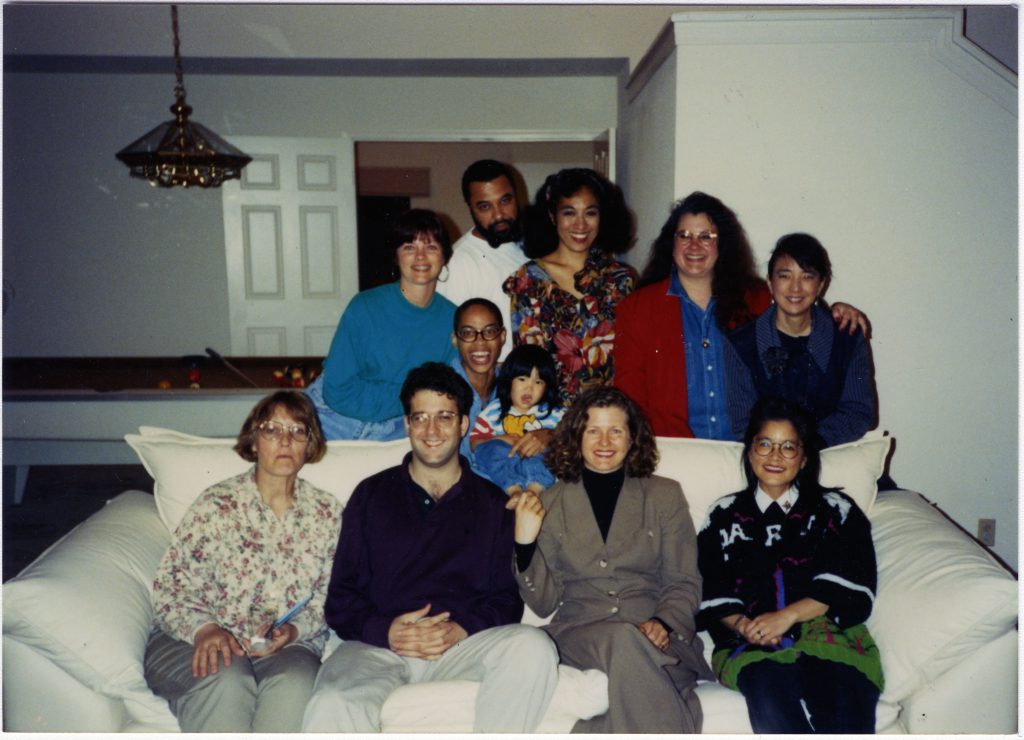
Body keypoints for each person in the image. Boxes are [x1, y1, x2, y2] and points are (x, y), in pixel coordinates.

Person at [302, 362, 559, 733]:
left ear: (463, 424)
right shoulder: (370, 495)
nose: (432, 430)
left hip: (461, 646)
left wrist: (461, 630)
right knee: (333, 700)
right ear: (407, 425)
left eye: (444, 417)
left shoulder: (492, 502)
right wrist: (387, 630)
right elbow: (340, 600)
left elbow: (506, 600)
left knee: (533, 647)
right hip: (378, 647)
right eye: (420, 418)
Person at [511, 386, 712, 733]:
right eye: (593, 430)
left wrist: (663, 622)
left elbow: (683, 580)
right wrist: (524, 544)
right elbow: (544, 603)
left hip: (657, 634)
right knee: (626, 643)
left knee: (643, 684)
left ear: (632, 438)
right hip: (581, 634)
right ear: (577, 437)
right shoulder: (551, 502)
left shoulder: (664, 495)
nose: (604, 441)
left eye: (615, 430)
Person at [144, 391, 342, 733]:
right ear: (253, 440)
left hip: (286, 648)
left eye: (297, 431)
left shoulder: (327, 514)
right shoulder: (216, 505)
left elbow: (333, 596)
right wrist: (205, 628)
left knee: (295, 684)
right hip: (195, 637)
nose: (285, 441)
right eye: (272, 430)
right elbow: (172, 584)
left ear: (309, 445)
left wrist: (293, 630)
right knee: (227, 677)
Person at [614, 192, 868, 440]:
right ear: (671, 243)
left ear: (722, 243)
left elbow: (796, 309)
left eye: (706, 236)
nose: (694, 245)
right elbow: (630, 400)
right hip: (676, 451)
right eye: (684, 235)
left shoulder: (756, 298)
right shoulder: (637, 309)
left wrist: (835, 309)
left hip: (747, 449)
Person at [697, 396, 883, 733]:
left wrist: (788, 616)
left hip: (827, 635)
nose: (775, 456)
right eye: (765, 444)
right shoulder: (722, 515)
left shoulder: (835, 509)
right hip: (752, 641)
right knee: (770, 700)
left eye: (788, 447)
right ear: (750, 451)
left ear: (804, 457)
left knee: (845, 710)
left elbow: (852, 579)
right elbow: (708, 585)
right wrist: (742, 624)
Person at [306, 209, 457, 440]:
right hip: (331, 417)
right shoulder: (364, 307)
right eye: (409, 247)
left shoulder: (453, 319)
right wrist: (411, 393)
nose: (420, 256)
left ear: (444, 256)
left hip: (399, 427)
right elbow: (337, 389)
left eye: (431, 247)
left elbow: (443, 394)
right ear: (396, 256)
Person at [725, 233, 875, 447]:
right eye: (785, 276)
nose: (795, 288)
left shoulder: (847, 337)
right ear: (770, 282)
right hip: (768, 458)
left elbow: (858, 413)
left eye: (807, 276)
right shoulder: (741, 344)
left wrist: (807, 445)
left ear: (821, 284)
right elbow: (742, 423)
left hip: (829, 453)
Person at [503, 168, 637, 403]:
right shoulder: (529, 281)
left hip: (611, 414)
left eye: (590, 213)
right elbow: (526, 366)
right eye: (569, 213)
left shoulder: (621, 280)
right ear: (552, 216)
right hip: (550, 418)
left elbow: (633, 361)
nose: (580, 224)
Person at [437, 160, 528, 359]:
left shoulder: (531, 247)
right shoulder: (458, 263)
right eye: (485, 206)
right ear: (470, 207)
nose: (499, 215)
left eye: (505, 201)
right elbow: (450, 348)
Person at [470, 344, 564, 497]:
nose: (529, 388)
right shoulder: (494, 411)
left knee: (549, 452)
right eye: (522, 379)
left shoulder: (553, 413)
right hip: (502, 482)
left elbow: (571, 437)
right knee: (489, 450)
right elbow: (475, 444)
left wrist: (551, 436)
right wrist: (499, 439)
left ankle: (533, 491)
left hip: (542, 484)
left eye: (538, 382)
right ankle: (515, 492)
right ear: (509, 380)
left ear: (546, 387)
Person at [449, 297, 506, 466]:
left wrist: (546, 434)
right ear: (455, 339)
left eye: (490, 331)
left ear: (502, 336)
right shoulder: (440, 389)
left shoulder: (515, 385)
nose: (480, 341)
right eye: (468, 333)